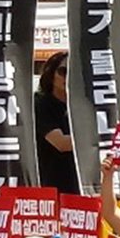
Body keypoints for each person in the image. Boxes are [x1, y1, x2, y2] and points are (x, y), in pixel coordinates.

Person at [35, 52, 79, 194]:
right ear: (51, 74)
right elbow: (61, 143)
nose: (68, 77)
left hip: (83, 185)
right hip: (53, 187)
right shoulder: (41, 104)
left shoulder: (83, 105)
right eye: (63, 71)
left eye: (73, 71)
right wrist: (98, 140)